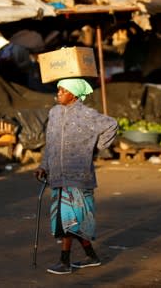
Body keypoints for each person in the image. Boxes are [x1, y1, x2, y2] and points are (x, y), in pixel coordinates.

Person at [34, 78, 118, 275]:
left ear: (73, 93)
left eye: (63, 90)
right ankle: (92, 256)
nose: (59, 93)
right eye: (58, 90)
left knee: (69, 219)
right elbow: (51, 142)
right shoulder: (53, 113)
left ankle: (65, 262)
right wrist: (43, 165)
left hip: (78, 175)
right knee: (72, 220)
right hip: (57, 175)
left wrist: (96, 147)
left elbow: (111, 125)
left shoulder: (88, 114)